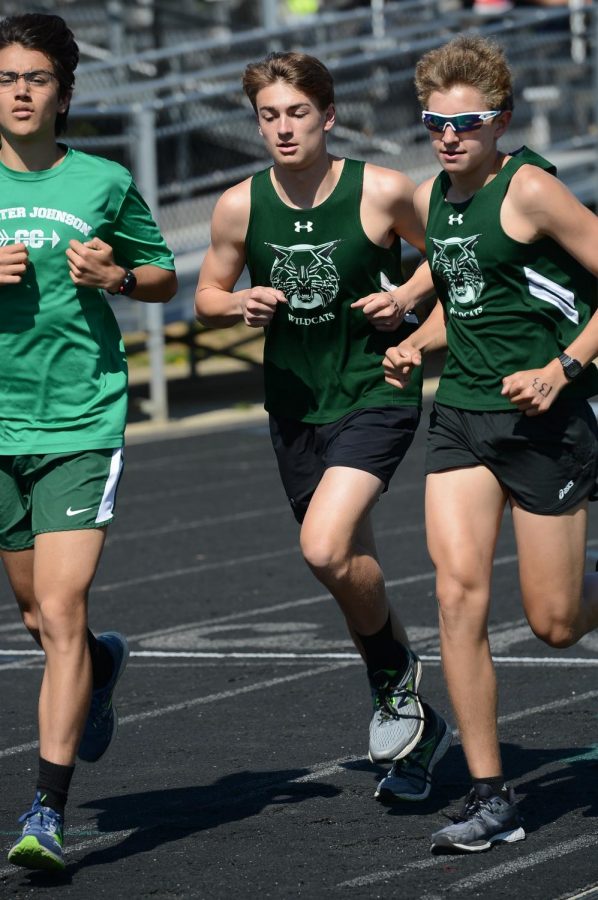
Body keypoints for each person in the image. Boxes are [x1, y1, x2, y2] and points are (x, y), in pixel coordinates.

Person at [195, 50, 452, 805]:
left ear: (328, 115)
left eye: (296, 113)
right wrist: (237, 305)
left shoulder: (381, 190)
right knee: (343, 570)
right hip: (295, 404)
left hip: (375, 390)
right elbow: (207, 290)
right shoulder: (239, 205)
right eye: (269, 115)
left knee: (323, 545)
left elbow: (452, 256)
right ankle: (411, 729)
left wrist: (405, 304)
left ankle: (396, 680)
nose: (282, 128)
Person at [383, 33, 598, 854]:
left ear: (499, 121)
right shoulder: (434, 195)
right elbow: (465, 284)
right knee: (456, 596)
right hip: (462, 417)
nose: (448, 136)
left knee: (553, 622)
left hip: (545, 422)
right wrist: (416, 341)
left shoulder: (533, 190)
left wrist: (564, 365)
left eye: (465, 124)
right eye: (434, 121)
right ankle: (491, 795)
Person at [0, 13, 177, 872]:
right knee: (38, 614)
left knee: (61, 610)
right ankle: (102, 670)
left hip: (79, 420)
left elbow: (161, 274)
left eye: (36, 77)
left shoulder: (101, 181)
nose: (21, 91)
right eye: (7, 77)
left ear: (64, 92)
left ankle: (46, 810)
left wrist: (116, 277)